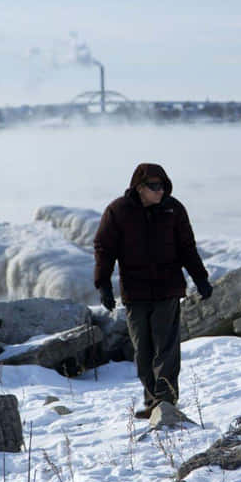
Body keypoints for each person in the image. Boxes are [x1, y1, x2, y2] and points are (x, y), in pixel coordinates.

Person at [93, 163, 213, 419]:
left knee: (166, 349)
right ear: (139, 187)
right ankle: (152, 402)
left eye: (163, 185)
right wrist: (103, 284)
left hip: (167, 290)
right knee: (143, 351)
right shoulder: (118, 211)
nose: (160, 191)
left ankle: (165, 401)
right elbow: (104, 249)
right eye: (154, 186)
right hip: (135, 294)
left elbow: (187, 247)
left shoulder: (173, 209)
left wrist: (200, 278)